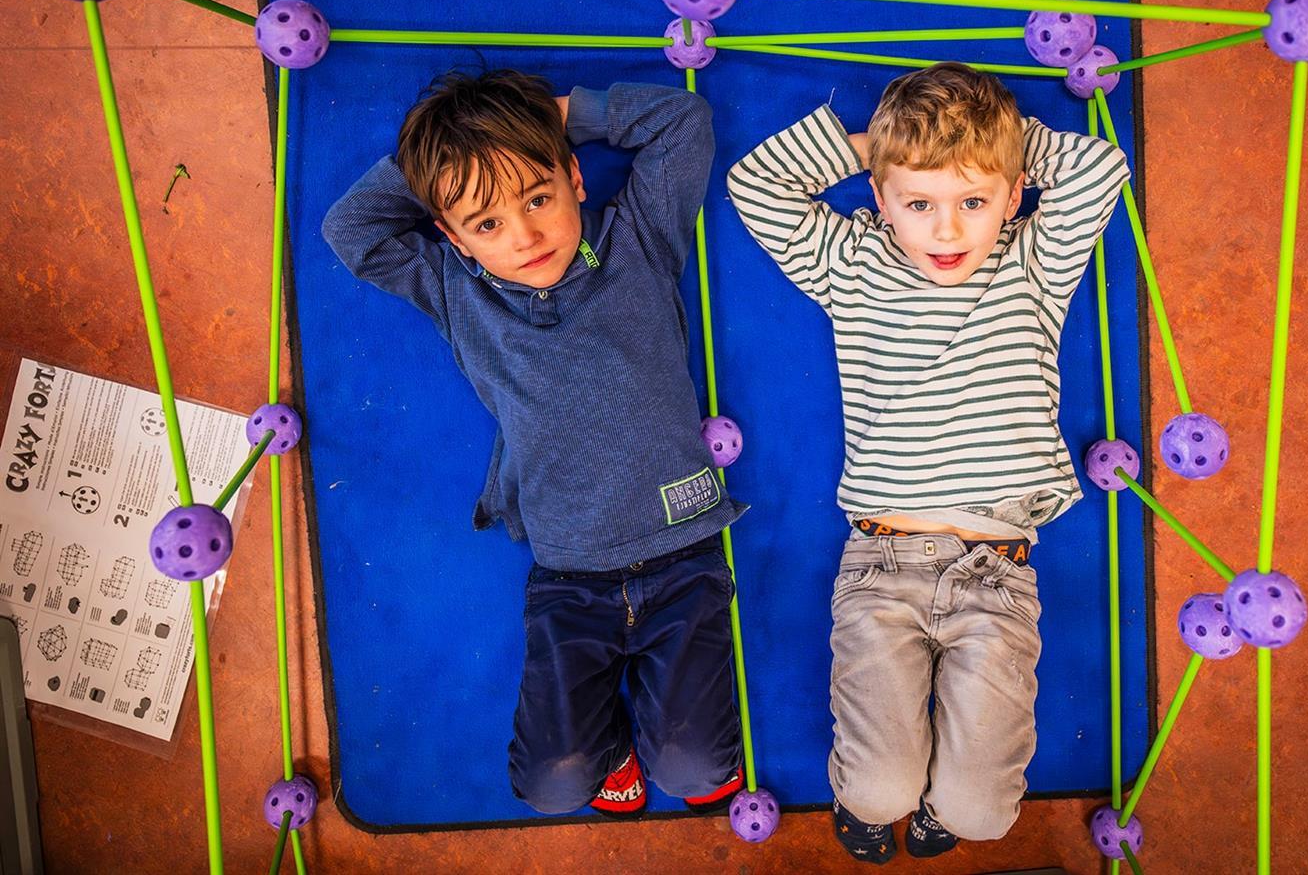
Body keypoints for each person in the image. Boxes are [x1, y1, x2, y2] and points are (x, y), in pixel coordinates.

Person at [729, 62, 1130, 861]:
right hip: (883, 566)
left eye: (972, 202)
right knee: (879, 790)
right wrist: (879, 149)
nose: (946, 232)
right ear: (881, 199)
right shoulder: (853, 261)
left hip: (997, 574)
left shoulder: (1033, 263)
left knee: (981, 815)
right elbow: (757, 185)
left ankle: (942, 805)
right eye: (919, 203)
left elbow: (1099, 168)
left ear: (1012, 197)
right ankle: (869, 799)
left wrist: (996, 150)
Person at [323, 69, 746, 818]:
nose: (524, 237)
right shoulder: (453, 287)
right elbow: (350, 228)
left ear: (574, 179)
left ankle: (669, 740)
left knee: (696, 769)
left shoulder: (638, 239)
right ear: (450, 235)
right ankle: (610, 746)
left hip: (683, 555)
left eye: (538, 198)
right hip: (569, 578)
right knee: (553, 786)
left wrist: (553, 116)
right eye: (485, 224)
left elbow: (684, 122)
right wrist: (450, 158)